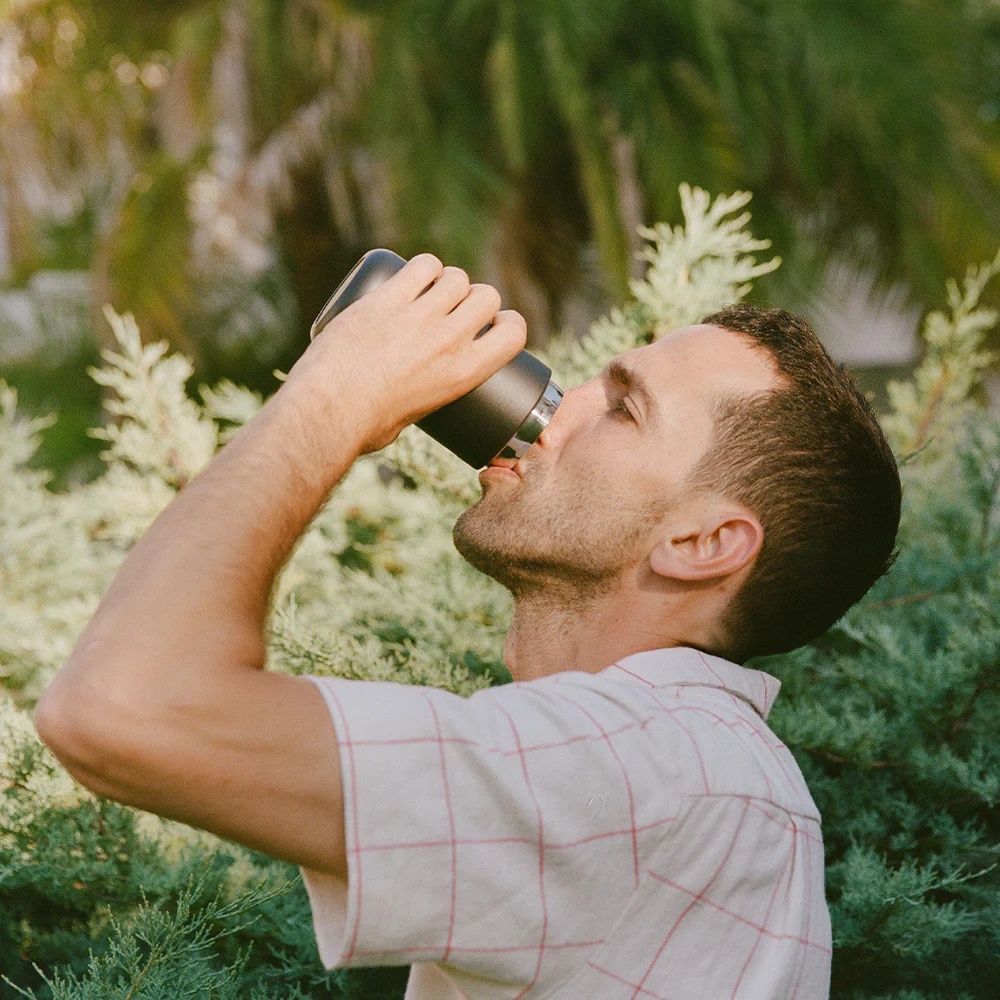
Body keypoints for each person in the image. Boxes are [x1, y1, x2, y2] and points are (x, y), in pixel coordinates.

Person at [34, 253, 901, 1000]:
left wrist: (335, 394)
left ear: (704, 543)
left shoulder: (651, 772)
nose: (556, 405)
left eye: (624, 408)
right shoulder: (686, 770)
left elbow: (121, 708)